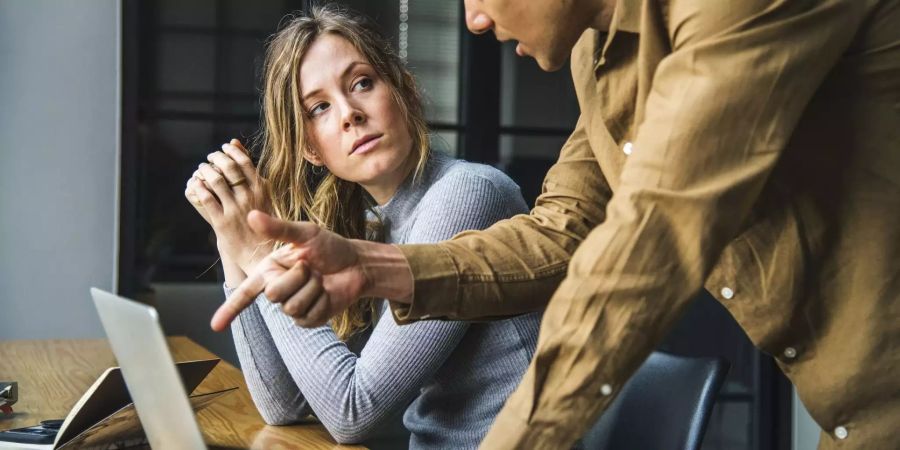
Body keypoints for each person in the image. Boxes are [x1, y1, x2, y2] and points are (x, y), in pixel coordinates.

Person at [214, 0, 900, 448]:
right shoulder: (596, 58)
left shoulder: (729, 8)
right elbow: (562, 232)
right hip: (852, 416)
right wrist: (373, 268)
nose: (475, 20)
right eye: (318, 109)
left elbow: (652, 237)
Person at [186, 5, 542, 448]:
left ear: (404, 92)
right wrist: (231, 235)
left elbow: (352, 413)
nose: (348, 113)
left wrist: (260, 254)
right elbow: (285, 405)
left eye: (362, 83)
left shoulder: (468, 193)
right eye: (318, 107)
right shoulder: (372, 224)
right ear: (311, 150)